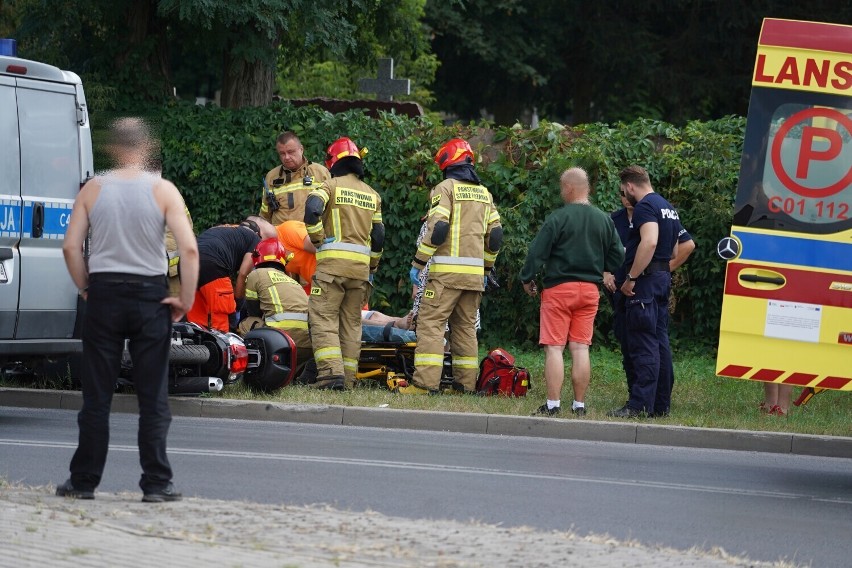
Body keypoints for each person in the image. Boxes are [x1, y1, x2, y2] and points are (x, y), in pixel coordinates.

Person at [56, 117, 199, 502]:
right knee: (152, 395)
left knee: (97, 396)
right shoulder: (163, 190)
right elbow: (188, 249)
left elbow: (70, 247)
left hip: (104, 294)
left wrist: (86, 287)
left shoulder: (93, 189)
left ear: (112, 149)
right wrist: (184, 299)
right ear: (146, 148)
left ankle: (83, 481)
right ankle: (156, 484)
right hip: (150, 296)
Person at [519, 168, 624, 417]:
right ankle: (579, 405)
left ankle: (553, 405)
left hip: (559, 290)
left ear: (568, 188)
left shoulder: (558, 218)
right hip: (589, 291)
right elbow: (619, 254)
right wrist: (605, 269)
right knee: (580, 348)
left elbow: (537, 252)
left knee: (554, 348)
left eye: (561, 187)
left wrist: (527, 278)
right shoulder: (603, 219)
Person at [409, 138, 502, 394]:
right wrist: (485, 269)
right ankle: (465, 385)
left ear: (447, 162)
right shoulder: (484, 193)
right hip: (473, 279)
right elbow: (495, 236)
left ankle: (425, 385)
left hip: (445, 277)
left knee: (431, 325)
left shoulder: (445, 188)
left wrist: (418, 263)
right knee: (465, 329)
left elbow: (438, 229)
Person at [304, 137, 384, 390]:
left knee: (323, 318)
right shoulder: (373, 194)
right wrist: (372, 265)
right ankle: (348, 379)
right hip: (360, 272)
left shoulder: (329, 186)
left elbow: (312, 209)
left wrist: (318, 240)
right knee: (352, 323)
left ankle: (330, 376)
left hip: (332, 269)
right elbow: (379, 235)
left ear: (333, 162)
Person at [605, 188, 695, 409]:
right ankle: (656, 402)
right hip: (629, 287)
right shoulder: (620, 218)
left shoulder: (648, 210)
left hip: (639, 286)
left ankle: (640, 403)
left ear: (632, 188)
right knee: (651, 342)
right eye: (621, 194)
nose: (626, 198)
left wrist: (646, 272)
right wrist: (605, 273)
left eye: (627, 192)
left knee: (643, 344)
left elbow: (670, 244)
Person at [238, 238, 315, 381]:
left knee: (247, 323)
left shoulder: (256, 274)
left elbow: (253, 311)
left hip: (280, 341)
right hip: (307, 344)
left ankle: (251, 367)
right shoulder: (293, 281)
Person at [186, 216, 277, 332]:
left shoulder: (222, 229)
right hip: (212, 265)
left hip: (185, 264)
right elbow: (243, 273)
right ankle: (221, 348)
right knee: (224, 319)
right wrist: (238, 302)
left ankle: (193, 348)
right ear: (261, 235)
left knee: (197, 320)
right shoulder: (255, 239)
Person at [259, 131, 330, 225]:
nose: (287, 157)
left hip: (311, 236)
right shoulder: (272, 177)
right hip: (281, 236)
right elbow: (265, 214)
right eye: (282, 153)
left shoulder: (320, 173)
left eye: (290, 152)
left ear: (301, 149)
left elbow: (331, 209)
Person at [275, 220, 316, 294]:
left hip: (329, 277)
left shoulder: (288, 230)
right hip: (315, 283)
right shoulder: (268, 250)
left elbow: (321, 247)